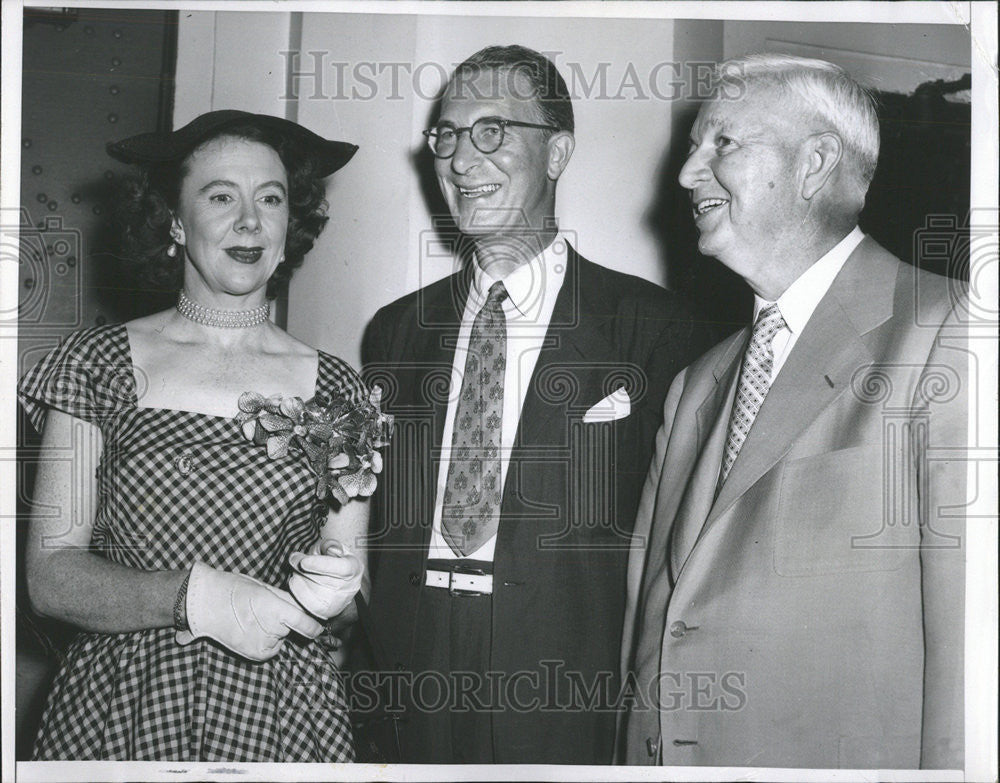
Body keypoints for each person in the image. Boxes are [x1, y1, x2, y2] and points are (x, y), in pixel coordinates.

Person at [359, 45, 714, 764]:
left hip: (565, 674)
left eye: (492, 131)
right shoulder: (395, 330)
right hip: (412, 660)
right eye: (448, 137)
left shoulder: (657, 329)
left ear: (557, 153)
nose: (462, 161)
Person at [619, 54, 966, 769]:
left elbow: (972, 656)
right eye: (692, 148)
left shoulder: (951, 334)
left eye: (722, 143)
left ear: (815, 164)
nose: (686, 173)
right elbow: (649, 632)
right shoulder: (696, 384)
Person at [19, 110, 372, 761]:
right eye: (220, 197)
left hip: (284, 710)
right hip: (120, 702)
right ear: (175, 222)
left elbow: (346, 597)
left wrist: (333, 594)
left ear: (290, 224)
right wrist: (193, 596)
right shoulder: (93, 364)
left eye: (271, 198)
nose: (249, 221)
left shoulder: (339, 391)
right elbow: (48, 577)